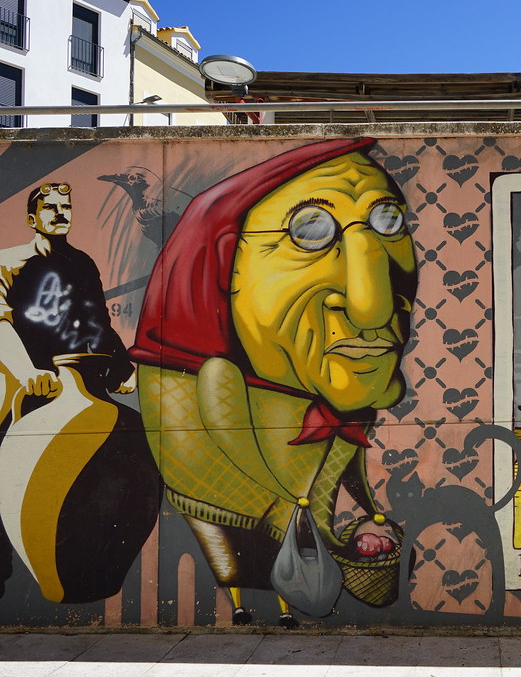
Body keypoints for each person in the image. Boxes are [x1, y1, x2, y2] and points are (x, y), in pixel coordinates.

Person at [130, 139, 416, 626]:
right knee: (255, 553)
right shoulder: (219, 381)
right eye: (310, 231)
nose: (373, 307)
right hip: (243, 496)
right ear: (229, 267)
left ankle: (272, 601)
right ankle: (245, 605)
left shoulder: (338, 400)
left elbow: (339, 474)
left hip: (293, 507)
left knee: (286, 548)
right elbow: (248, 454)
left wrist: (367, 510)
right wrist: (288, 499)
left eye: (387, 221)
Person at [0, 182, 138, 600]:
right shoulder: (9, 263)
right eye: (51, 207)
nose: (61, 213)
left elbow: (97, 322)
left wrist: (121, 369)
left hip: (76, 385)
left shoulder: (81, 263)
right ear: (32, 218)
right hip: (21, 386)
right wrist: (26, 371)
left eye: (67, 206)